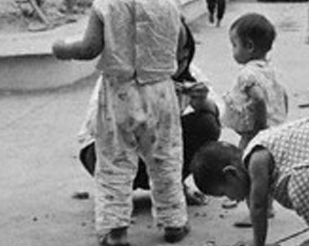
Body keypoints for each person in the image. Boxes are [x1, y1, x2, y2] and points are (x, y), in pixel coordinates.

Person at [52, 0, 190, 246]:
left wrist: (62, 49)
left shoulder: (104, 6)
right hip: (160, 93)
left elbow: (88, 48)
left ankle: (115, 229)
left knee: (114, 160)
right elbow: (181, 43)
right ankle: (173, 222)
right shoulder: (170, 7)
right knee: (167, 159)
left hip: (118, 94)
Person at [77, 18, 221, 208]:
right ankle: (116, 196)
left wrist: (201, 102)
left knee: (207, 123)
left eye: (184, 58)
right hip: (111, 153)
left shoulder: (189, 74)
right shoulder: (121, 74)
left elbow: (220, 113)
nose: (179, 66)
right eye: (171, 59)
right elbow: (102, 127)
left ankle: (173, 186)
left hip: (157, 156)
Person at [191, 111, 309, 246]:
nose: (230, 199)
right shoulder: (259, 146)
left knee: (298, 188)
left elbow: (258, 205)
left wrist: (258, 243)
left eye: (224, 192)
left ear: (231, 173)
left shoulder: (255, 161)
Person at [222, 13, 289, 150]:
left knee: (244, 157)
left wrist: (259, 129)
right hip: (277, 129)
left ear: (249, 46)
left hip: (254, 133)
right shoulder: (270, 71)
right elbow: (284, 95)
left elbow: (258, 98)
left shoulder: (247, 75)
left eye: (235, 45)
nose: (232, 50)